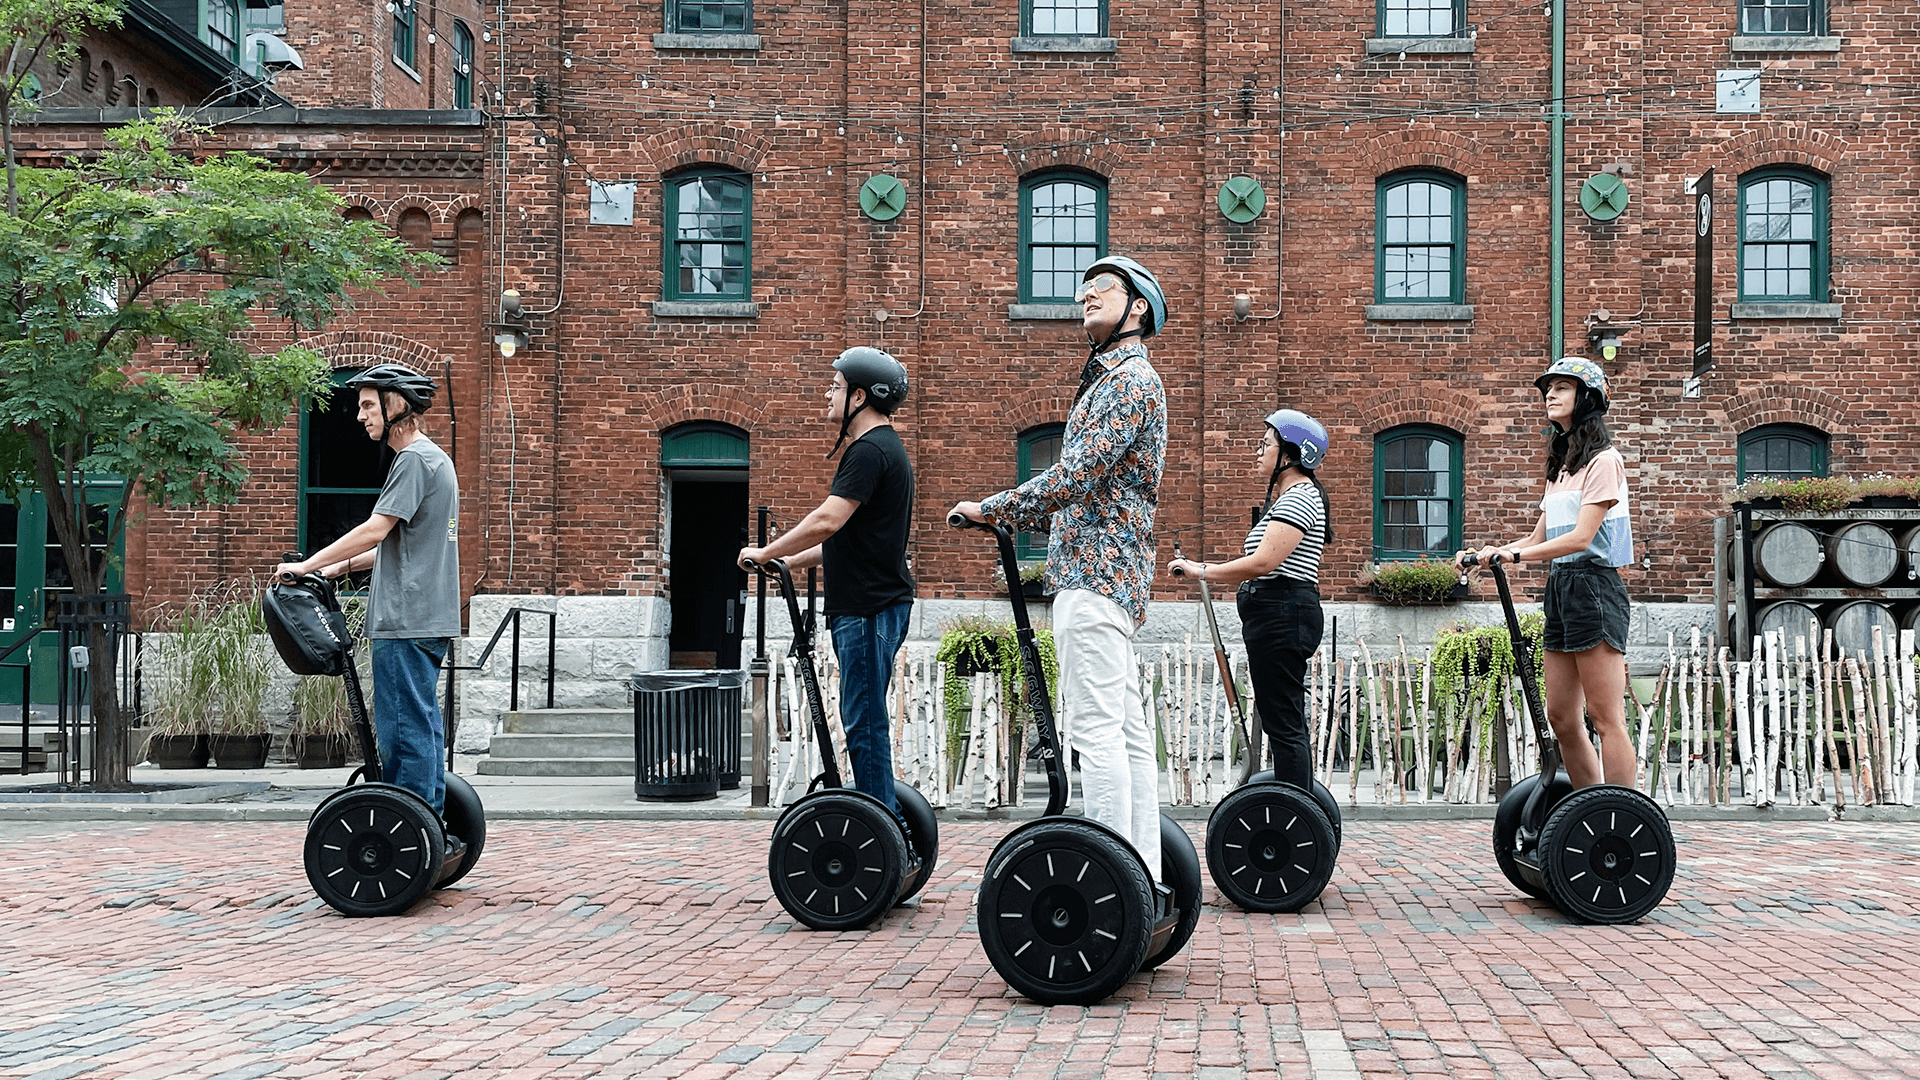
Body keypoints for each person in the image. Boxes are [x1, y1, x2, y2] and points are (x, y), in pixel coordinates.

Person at [951, 255, 1169, 882]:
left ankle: (1107, 877)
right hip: (1108, 581)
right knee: (1126, 735)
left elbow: (1076, 476)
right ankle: (1143, 876)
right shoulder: (1116, 379)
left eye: (1103, 289)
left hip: (1094, 581)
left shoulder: (1127, 382)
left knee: (1098, 733)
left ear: (1138, 308)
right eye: (1082, 292)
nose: (1086, 297)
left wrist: (994, 510)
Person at [274, 363, 461, 830]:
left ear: (396, 405)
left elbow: (377, 528)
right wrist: (339, 568)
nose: (360, 416)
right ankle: (431, 823)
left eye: (367, 405)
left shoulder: (414, 460)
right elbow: (398, 545)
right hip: (425, 617)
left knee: (402, 731)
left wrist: (306, 564)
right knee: (420, 724)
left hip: (405, 619)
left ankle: (413, 830)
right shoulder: (435, 459)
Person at [738, 347, 916, 825]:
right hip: (875, 604)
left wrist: (765, 551)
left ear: (860, 396)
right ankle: (887, 821)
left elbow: (827, 520)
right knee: (865, 716)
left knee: (864, 721)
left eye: (836, 387)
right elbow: (851, 540)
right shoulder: (883, 449)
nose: (828, 393)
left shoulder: (869, 450)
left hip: (867, 609)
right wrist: (791, 562)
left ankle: (883, 827)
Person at [1456, 356, 1634, 788]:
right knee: (1561, 715)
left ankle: (1624, 813)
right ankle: (1588, 805)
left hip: (1594, 585)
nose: (1550, 394)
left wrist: (1516, 559)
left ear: (1587, 399)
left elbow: (1579, 538)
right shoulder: (1562, 466)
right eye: (1548, 388)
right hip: (1561, 588)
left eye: (1562, 387)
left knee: (1604, 716)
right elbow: (1538, 537)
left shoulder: (1603, 461)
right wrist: (1492, 552)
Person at [1167, 409, 1330, 793]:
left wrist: (1200, 570)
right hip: (1277, 615)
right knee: (1281, 720)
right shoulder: (1289, 498)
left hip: (1283, 614)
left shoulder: (1299, 498)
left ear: (1291, 455)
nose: (1258, 452)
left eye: (1266, 445)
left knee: (1284, 723)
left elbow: (1263, 562)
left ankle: (1301, 814)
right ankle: (1301, 806)